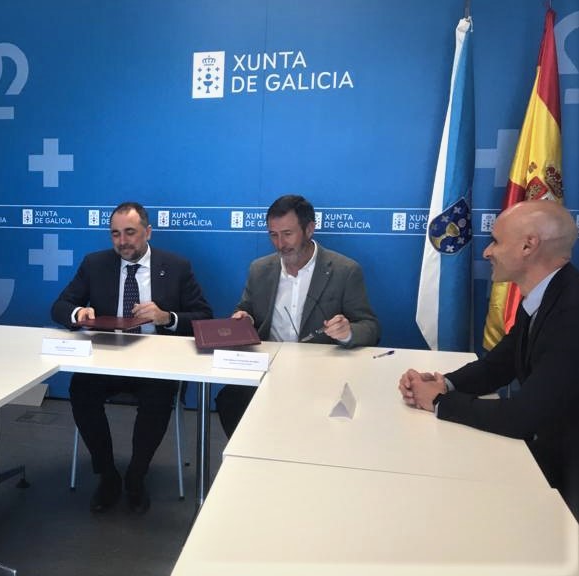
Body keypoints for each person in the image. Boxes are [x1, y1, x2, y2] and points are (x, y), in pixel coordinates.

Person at [399, 200, 579, 521]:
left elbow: (524, 417)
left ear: (528, 246)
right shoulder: (547, 296)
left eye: (495, 241)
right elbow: (499, 365)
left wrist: (440, 401)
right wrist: (445, 383)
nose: (486, 252)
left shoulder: (571, 311)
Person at [51, 201, 212, 514]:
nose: (122, 241)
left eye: (130, 232)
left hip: (156, 361)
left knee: (159, 396)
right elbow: (59, 306)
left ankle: (137, 475)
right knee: (81, 390)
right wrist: (78, 313)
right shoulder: (95, 264)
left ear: (147, 232)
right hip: (108, 358)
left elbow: (204, 315)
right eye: (115, 234)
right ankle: (107, 475)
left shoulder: (176, 266)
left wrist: (167, 317)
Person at [216, 194, 379, 437]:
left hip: (321, 371)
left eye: (288, 234)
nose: (280, 243)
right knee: (229, 400)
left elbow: (370, 326)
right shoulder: (260, 269)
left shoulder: (344, 270)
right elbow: (245, 309)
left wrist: (348, 332)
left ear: (309, 229)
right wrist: (244, 319)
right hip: (269, 369)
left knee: (312, 420)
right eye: (273, 235)